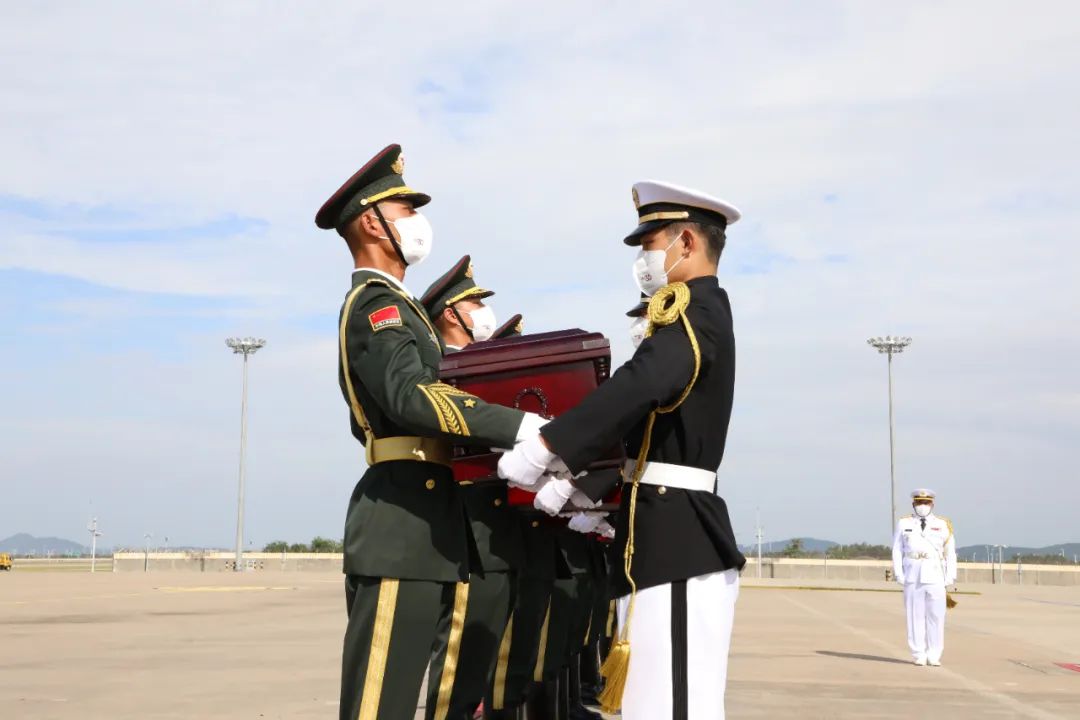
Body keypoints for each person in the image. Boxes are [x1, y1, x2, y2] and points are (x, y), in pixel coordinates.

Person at [498, 180, 746, 719]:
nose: (642, 260)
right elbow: (641, 431)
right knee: (651, 703)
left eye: (650, 244)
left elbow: (639, 384)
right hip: (660, 534)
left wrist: (548, 445)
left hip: (681, 540)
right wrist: (581, 486)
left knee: (674, 706)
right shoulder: (691, 314)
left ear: (686, 242)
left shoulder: (697, 312)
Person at [315, 144, 543, 720]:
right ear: (373, 223)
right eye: (406, 209)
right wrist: (520, 426)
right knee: (381, 705)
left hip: (427, 523)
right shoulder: (376, 305)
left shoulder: (403, 307)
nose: (418, 221)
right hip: (400, 522)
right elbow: (410, 397)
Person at [418, 256, 522, 720]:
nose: (483, 312)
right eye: (474, 303)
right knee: (458, 663)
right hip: (465, 531)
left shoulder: (477, 368)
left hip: (495, 531)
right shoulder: (437, 369)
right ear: (450, 314)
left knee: (482, 656)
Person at [892, 489, 957, 666]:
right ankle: (918, 653)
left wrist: (950, 576)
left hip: (936, 575)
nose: (922, 506)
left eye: (926, 503)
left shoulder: (943, 524)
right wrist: (899, 573)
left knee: (936, 617)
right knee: (915, 617)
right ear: (913, 504)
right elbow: (897, 550)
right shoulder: (904, 523)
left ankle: (934, 654)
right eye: (919, 502)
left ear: (932, 504)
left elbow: (950, 552)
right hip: (912, 574)